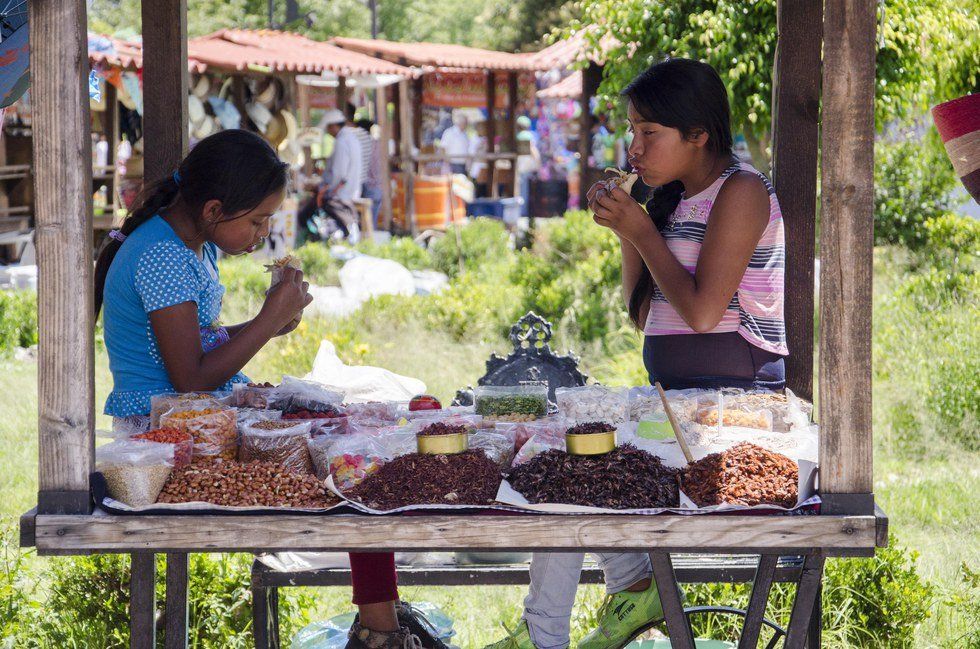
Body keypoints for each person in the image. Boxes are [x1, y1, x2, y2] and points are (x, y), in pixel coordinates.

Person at [94, 129, 445, 649]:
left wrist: (268, 323)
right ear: (215, 209)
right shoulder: (162, 255)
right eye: (257, 221)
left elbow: (198, 344)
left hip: (195, 418)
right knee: (349, 472)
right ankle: (381, 633)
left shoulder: (189, 243)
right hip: (163, 439)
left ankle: (380, 624)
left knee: (349, 448)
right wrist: (264, 321)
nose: (262, 233)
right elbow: (190, 376)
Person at [485, 57, 788, 649]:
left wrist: (642, 231)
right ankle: (628, 590)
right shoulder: (673, 199)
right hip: (677, 402)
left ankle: (550, 631)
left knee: (579, 468)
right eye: (631, 131)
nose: (635, 147)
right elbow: (644, 314)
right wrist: (633, 228)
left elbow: (702, 315)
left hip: (737, 405)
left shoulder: (742, 191)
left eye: (650, 132)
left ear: (699, 134)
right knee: (574, 453)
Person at [298, 108, 363, 241]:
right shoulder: (351, 138)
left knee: (305, 213)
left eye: (328, 128)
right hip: (351, 189)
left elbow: (338, 174)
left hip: (340, 193)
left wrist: (324, 188)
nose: (328, 132)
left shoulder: (341, 142)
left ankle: (311, 239)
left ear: (333, 126)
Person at [356, 117, 385, 226]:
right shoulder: (378, 144)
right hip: (379, 187)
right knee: (372, 222)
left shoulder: (363, 145)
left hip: (368, 187)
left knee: (366, 224)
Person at [439, 112, 472, 176]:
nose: (466, 124)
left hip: (463, 164)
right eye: (465, 122)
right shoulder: (449, 132)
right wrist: (447, 162)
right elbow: (442, 148)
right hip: (453, 164)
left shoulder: (465, 134)